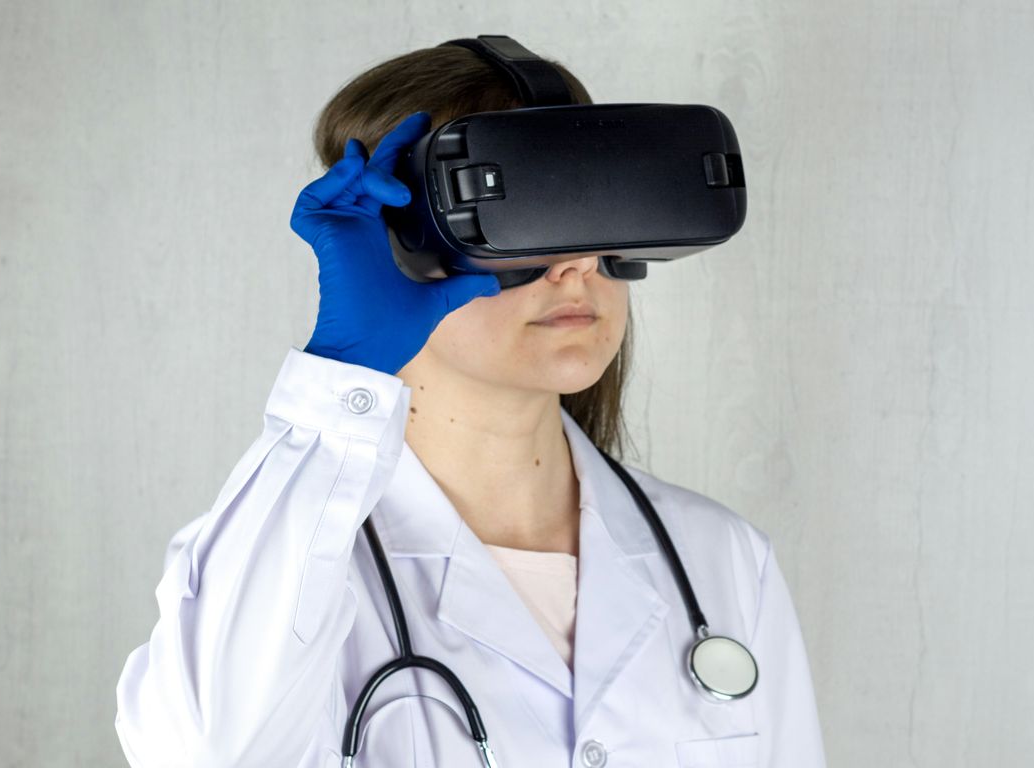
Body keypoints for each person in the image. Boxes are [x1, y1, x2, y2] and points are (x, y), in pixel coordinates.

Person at [114, 42, 826, 767]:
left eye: (591, 198)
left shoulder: (724, 559)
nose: (575, 263)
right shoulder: (285, 565)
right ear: (393, 243)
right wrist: (342, 377)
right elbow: (205, 748)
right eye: (519, 209)